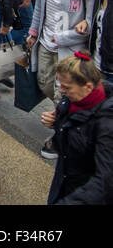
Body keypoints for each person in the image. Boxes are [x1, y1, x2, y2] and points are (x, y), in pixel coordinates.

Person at [30, 0, 98, 146]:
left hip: (70, 47)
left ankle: (62, 131)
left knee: (64, 91)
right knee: (44, 82)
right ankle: (62, 117)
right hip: (45, 42)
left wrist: (63, 36)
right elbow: (39, 7)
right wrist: (34, 32)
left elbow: (89, 23)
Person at [43, 52, 113, 204]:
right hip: (64, 184)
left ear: (88, 86)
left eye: (66, 87)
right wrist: (57, 123)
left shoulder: (107, 122)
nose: (61, 90)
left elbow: (105, 180)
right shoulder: (71, 101)